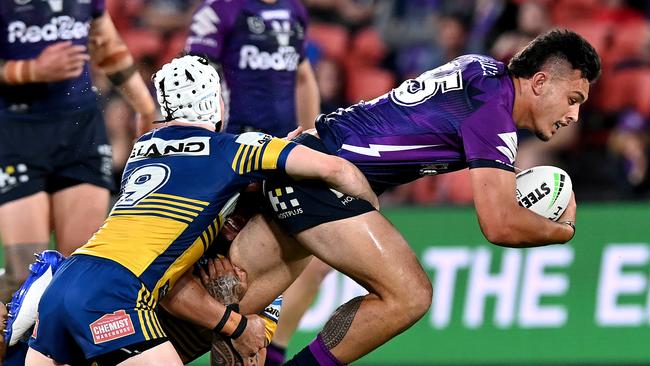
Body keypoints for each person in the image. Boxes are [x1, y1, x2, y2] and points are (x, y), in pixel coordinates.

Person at [155, 28, 599, 366]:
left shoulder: (479, 69)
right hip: (324, 178)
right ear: (540, 81)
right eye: (573, 97)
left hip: (309, 161)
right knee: (409, 294)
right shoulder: (495, 115)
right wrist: (563, 231)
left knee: (213, 313)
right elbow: (500, 225)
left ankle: (114, 345)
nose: (574, 114)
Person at [24, 55, 378, 365]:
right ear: (218, 104)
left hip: (64, 283)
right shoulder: (237, 149)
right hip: (117, 291)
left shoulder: (141, 148)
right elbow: (336, 169)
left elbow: (193, 170)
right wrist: (370, 211)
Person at [0, 0, 156, 303]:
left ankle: (55, 351)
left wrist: (145, 107)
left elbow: (106, 45)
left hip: (80, 131)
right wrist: (31, 70)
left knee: (78, 272)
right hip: (16, 136)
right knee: (26, 276)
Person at [185, 0, 320, 137]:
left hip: (285, 140)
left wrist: (310, 139)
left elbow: (302, 77)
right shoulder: (218, 8)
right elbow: (192, 78)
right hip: (233, 139)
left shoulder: (295, 8)